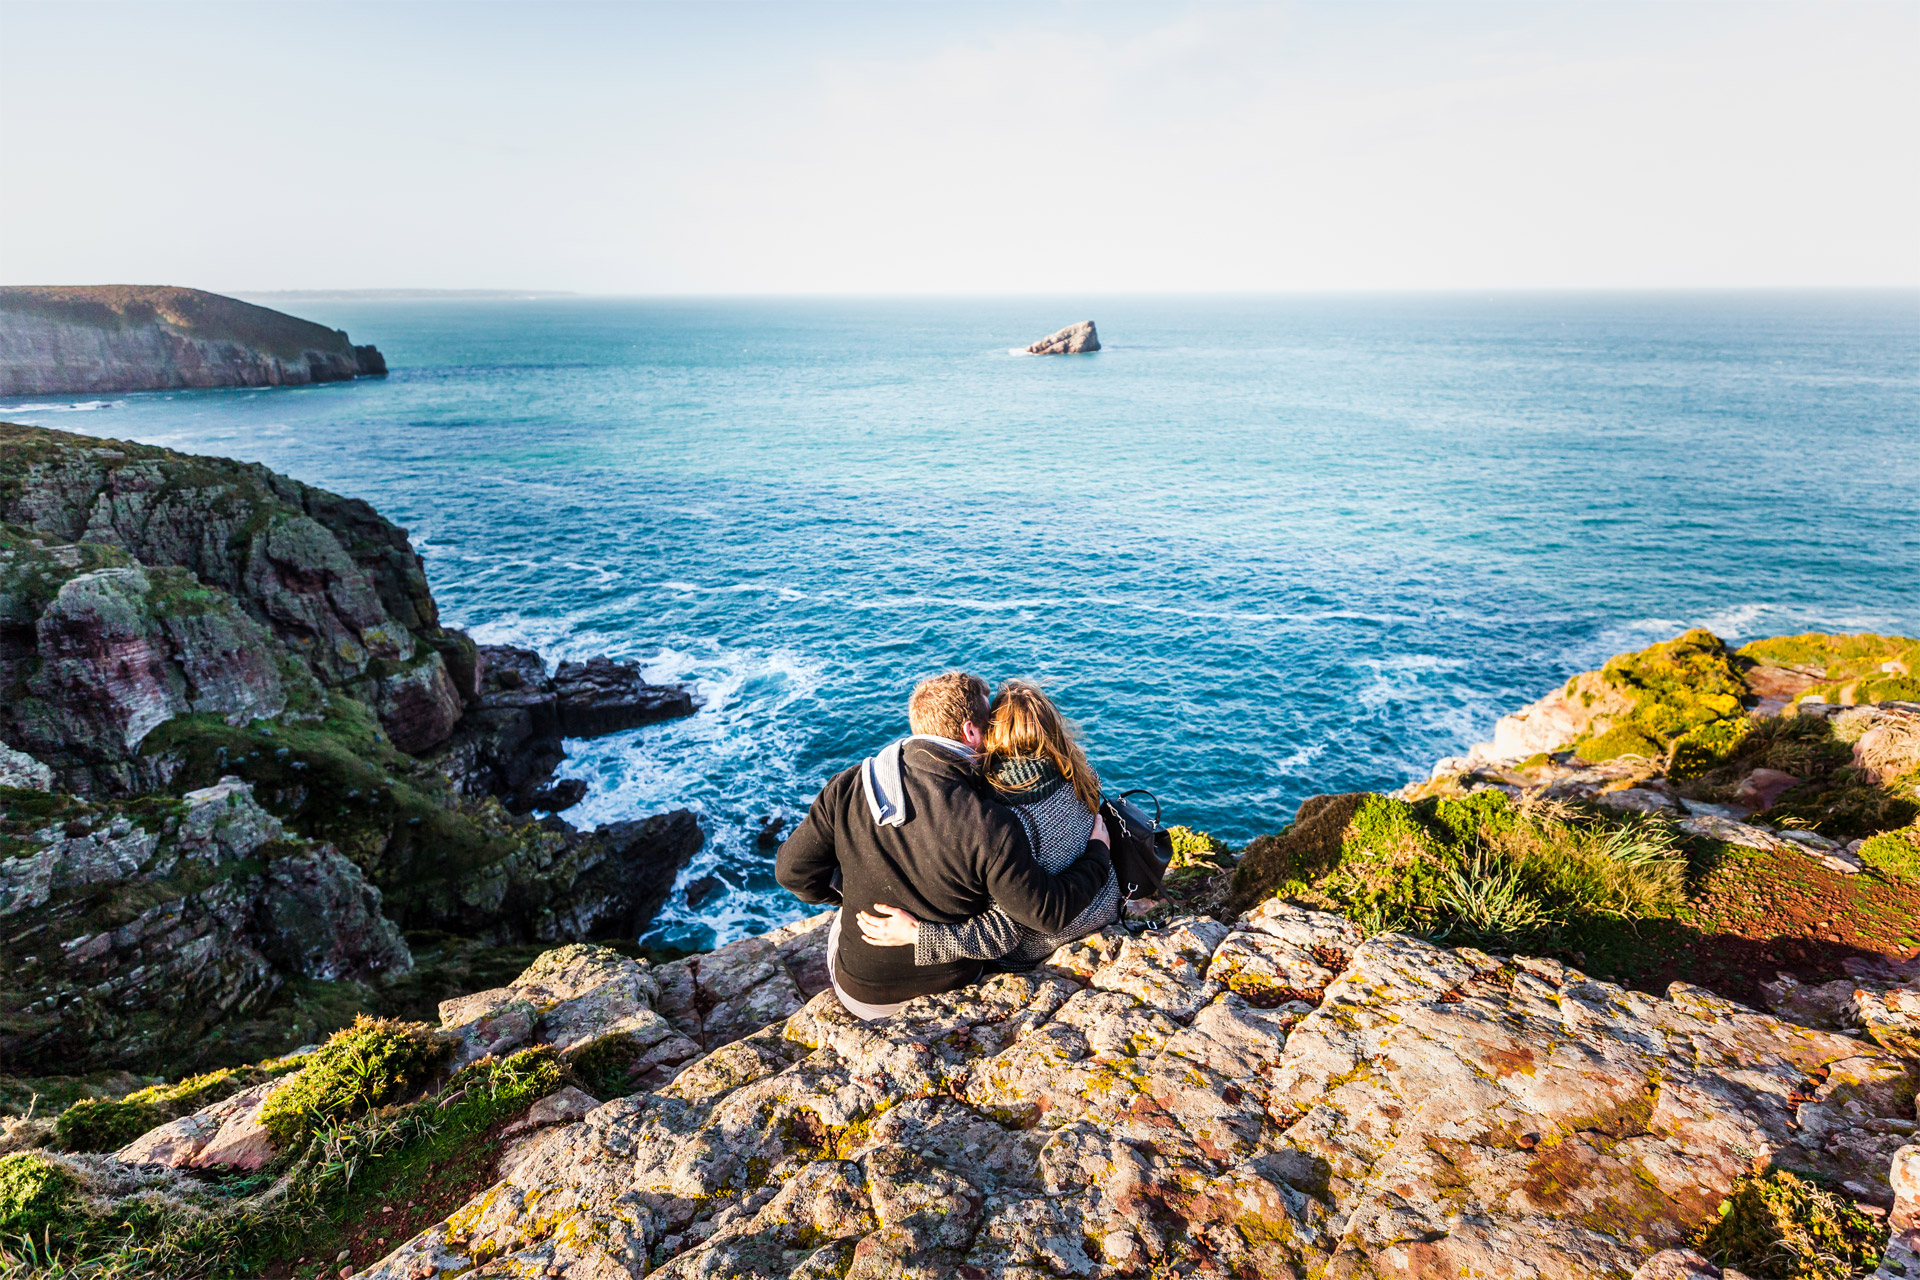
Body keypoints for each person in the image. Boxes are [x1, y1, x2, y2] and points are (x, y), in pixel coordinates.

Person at [775, 671, 1113, 1020]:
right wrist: (1098, 852)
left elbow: (791, 874)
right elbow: (1044, 913)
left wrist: (851, 895)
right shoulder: (990, 819)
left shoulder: (848, 785)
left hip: (861, 996)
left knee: (841, 921)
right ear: (970, 732)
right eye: (988, 725)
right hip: (954, 984)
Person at [857, 679, 1120, 970]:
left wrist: (919, 935)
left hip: (1041, 944)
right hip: (1106, 907)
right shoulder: (1082, 774)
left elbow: (1004, 932)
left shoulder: (997, 813)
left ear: (992, 733)